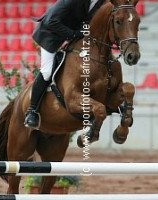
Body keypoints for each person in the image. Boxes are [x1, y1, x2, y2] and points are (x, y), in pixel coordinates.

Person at [24, 0, 105, 129]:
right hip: (50, 35)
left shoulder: (101, 2)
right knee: (47, 72)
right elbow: (52, 21)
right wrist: (73, 34)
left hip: (71, 36)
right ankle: (32, 111)